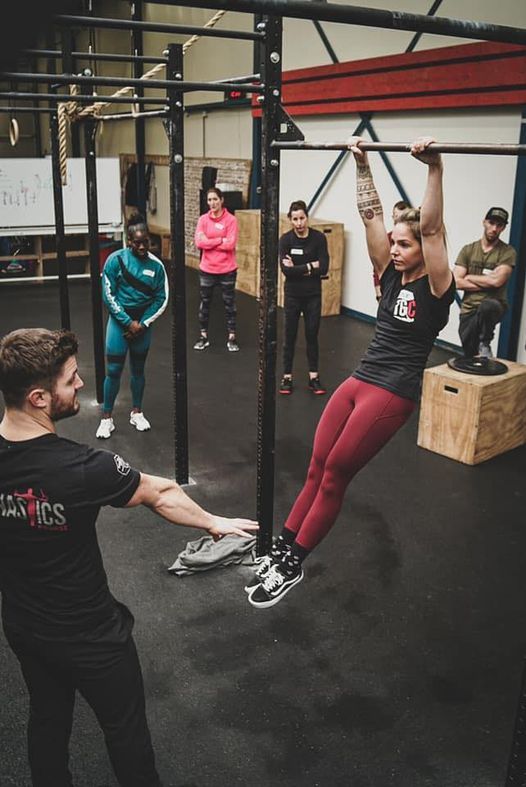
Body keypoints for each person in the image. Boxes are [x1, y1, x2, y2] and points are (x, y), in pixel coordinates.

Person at [0, 327, 258, 787]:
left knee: (47, 719)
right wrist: (214, 523)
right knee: (126, 734)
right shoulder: (81, 467)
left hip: (24, 627)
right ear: (39, 397)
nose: (80, 384)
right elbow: (159, 491)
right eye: (71, 379)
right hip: (93, 636)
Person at [245, 137, 455, 609]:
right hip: (360, 380)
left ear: (424, 247)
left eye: (405, 244)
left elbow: (436, 230)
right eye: (395, 243)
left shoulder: (438, 285)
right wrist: (361, 162)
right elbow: (370, 214)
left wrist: (434, 168)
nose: (395, 250)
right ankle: (281, 548)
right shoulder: (391, 273)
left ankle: (293, 565)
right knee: (316, 467)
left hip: (391, 391)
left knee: (337, 474)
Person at [96, 214, 169, 439]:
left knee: (138, 370)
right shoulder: (115, 260)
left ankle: (137, 412)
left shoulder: (156, 266)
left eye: (145, 241)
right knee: (114, 370)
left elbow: (162, 298)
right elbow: (108, 295)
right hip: (120, 323)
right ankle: (106, 418)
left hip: (142, 325)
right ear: (128, 240)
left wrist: (143, 323)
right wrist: (129, 323)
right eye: (136, 242)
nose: (141, 246)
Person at [278, 201, 330, 396]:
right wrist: (310, 266)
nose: (299, 223)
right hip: (292, 295)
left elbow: (324, 267)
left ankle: (313, 378)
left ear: (307, 218)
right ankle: (287, 377)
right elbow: (287, 271)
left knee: (311, 335)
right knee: (289, 336)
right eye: (295, 219)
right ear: (290, 220)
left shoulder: (318, 239)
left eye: (302, 218)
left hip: (313, 296)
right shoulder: (285, 240)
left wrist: (298, 267)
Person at [453, 206, 516, 358]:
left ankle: (485, 342)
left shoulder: (507, 252)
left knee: (488, 306)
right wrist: (486, 281)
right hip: (469, 308)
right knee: (470, 352)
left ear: (503, 228)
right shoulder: (468, 250)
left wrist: (469, 277)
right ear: (484, 222)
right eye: (491, 223)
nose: (494, 228)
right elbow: (456, 282)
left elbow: (497, 281)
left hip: (494, 304)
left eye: (499, 225)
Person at [193, 187, 240, 353]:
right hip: (207, 269)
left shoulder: (231, 220)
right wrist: (220, 239)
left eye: (215, 199)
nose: (212, 203)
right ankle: (203, 336)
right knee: (205, 303)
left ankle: (232, 337)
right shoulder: (203, 220)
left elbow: (230, 245)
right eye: (209, 200)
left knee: (229, 305)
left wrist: (210, 240)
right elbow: (199, 243)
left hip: (227, 269)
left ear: (221, 200)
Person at [373, 200, 410, 301]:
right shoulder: (387, 239)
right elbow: (377, 269)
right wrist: (379, 295)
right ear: (393, 217)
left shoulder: (417, 242)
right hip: (390, 291)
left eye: (403, 218)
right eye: (397, 217)